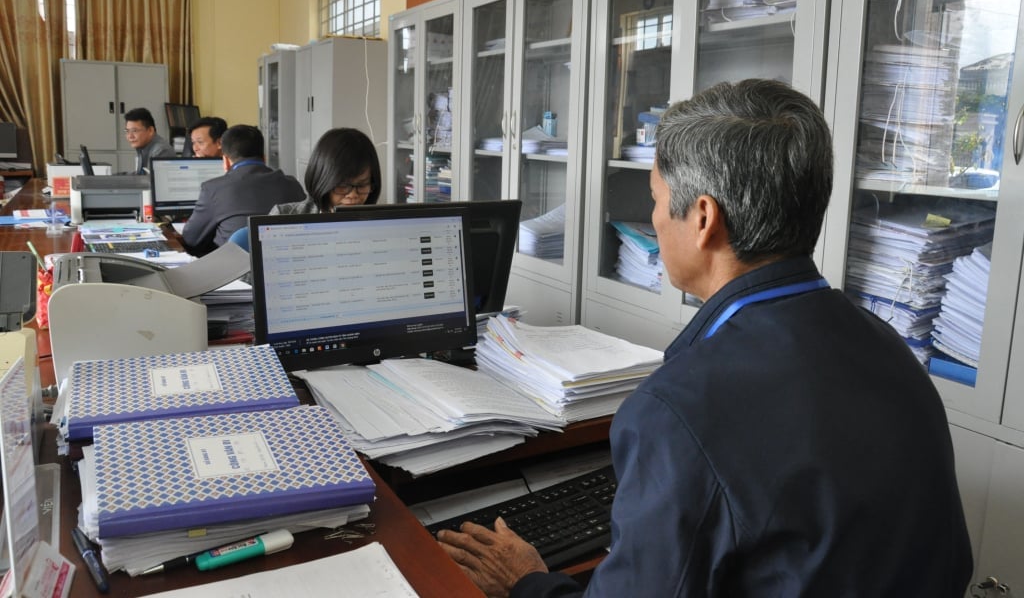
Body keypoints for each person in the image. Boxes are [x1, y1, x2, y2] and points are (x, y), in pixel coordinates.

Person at [438, 79, 973, 597]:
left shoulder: (677, 411)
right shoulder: (889, 348)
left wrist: (528, 581)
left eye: (654, 198)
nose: (652, 218)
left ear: (702, 218)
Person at [180, 124, 304, 257]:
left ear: (226, 160)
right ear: (264, 157)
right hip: (287, 268)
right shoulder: (292, 184)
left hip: (235, 273)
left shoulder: (213, 189)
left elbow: (191, 239)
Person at [271, 127, 381, 214]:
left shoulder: (383, 222)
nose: (352, 195)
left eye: (362, 185)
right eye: (342, 186)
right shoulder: (284, 216)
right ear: (321, 180)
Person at [124, 107, 174, 174]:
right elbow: (139, 175)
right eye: (127, 131)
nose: (130, 136)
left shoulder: (161, 151)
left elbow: (153, 181)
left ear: (150, 131)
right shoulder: (142, 147)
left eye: (134, 131)